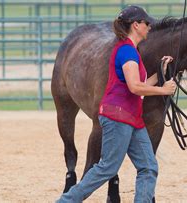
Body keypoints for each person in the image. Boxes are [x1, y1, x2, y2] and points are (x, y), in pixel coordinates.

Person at [57, 5, 176, 203]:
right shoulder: (127, 52)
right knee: (107, 168)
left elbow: (141, 84)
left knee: (148, 167)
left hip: (131, 117)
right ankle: (66, 201)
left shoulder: (131, 50)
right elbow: (135, 87)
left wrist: (161, 71)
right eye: (147, 23)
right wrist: (163, 90)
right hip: (118, 117)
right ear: (136, 25)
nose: (150, 27)